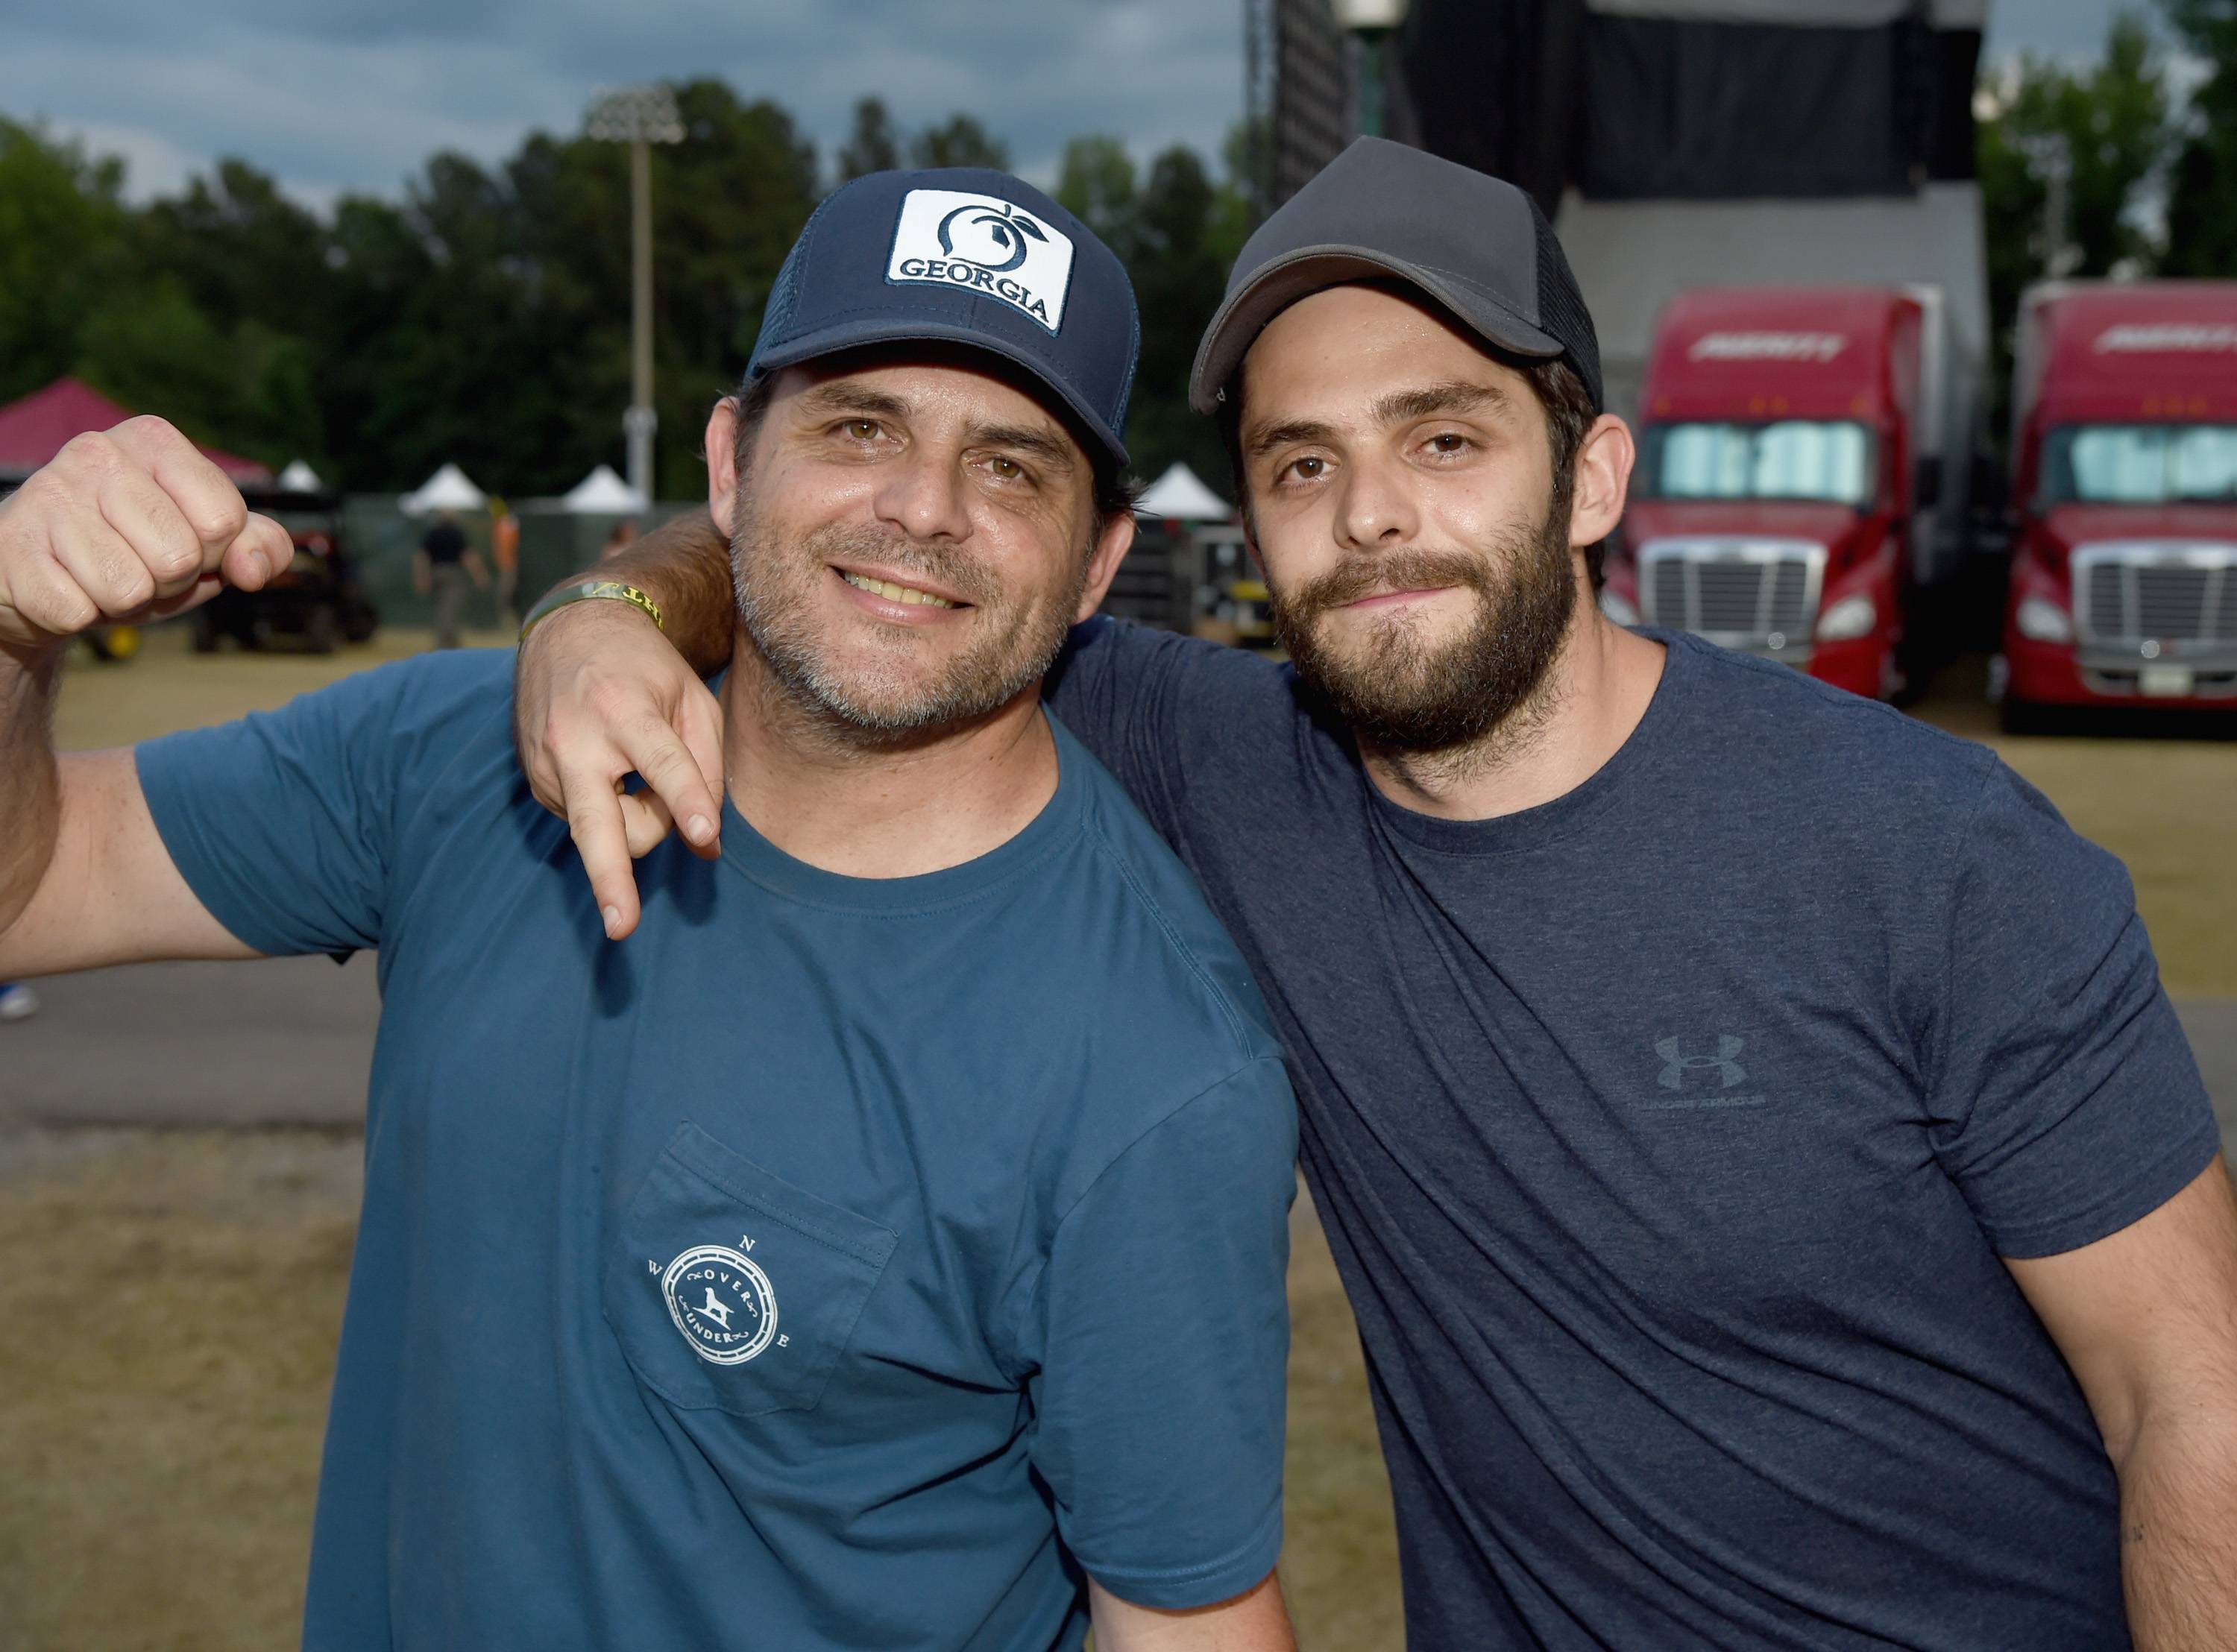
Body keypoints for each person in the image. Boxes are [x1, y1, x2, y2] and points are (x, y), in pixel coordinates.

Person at [520, 139, 2237, 1650]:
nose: (1370, 517)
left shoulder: (1922, 850)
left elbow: (2187, 1388)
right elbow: (879, 564)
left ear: (1590, 479)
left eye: (1441, 435)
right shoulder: (1212, 757)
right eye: (1301, 463)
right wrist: (603, 608)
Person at [0, 168, 1301, 1651]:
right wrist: (9, 633)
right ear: (732, 464)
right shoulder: (461, 758)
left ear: (1098, 567)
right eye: (861, 425)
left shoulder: (1154, 1066)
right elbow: (28, 884)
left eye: (1012, 468)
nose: (924, 509)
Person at [410, 507, 488, 648]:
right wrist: (479, 576)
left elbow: (421, 557)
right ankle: (447, 643)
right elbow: (468, 557)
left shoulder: (433, 533)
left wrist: (422, 578)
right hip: (453, 574)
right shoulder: (457, 533)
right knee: (451, 608)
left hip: (436, 573)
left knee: (442, 607)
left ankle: (444, 641)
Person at [489, 499, 521, 628]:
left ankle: (508, 619)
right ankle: (505, 619)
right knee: (505, 593)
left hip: (508, 565)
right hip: (507, 566)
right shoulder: (502, 523)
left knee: (507, 593)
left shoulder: (506, 523)